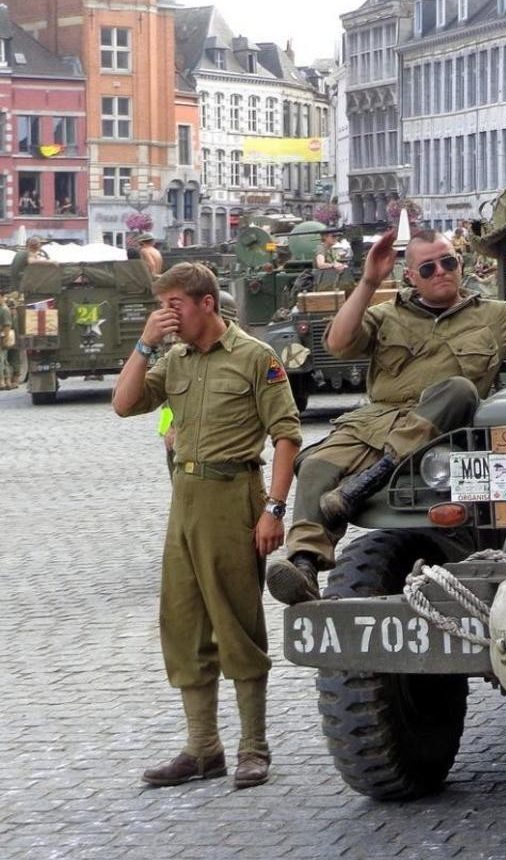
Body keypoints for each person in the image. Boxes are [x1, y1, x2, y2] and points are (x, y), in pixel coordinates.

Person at [265, 228, 506, 605]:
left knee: (459, 388)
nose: (441, 272)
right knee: (316, 465)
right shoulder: (387, 315)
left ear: (460, 265)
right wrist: (368, 281)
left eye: (448, 262)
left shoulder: (492, 316)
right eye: (428, 268)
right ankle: (304, 565)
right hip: (376, 423)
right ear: (411, 277)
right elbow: (336, 342)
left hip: (441, 433)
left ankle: (370, 480)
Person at [111, 262, 301, 788]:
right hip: (186, 499)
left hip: (233, 495)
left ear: (207, 303)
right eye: (162, 306)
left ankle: (253, 747)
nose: (164, 316)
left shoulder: (254, 357)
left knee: (236, 622)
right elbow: (124, 404)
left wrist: (275, 509)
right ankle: (202, 749)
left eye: (174, 305)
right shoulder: (174, 358)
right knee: (183, 621)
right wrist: (145, 345)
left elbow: (286, 435)